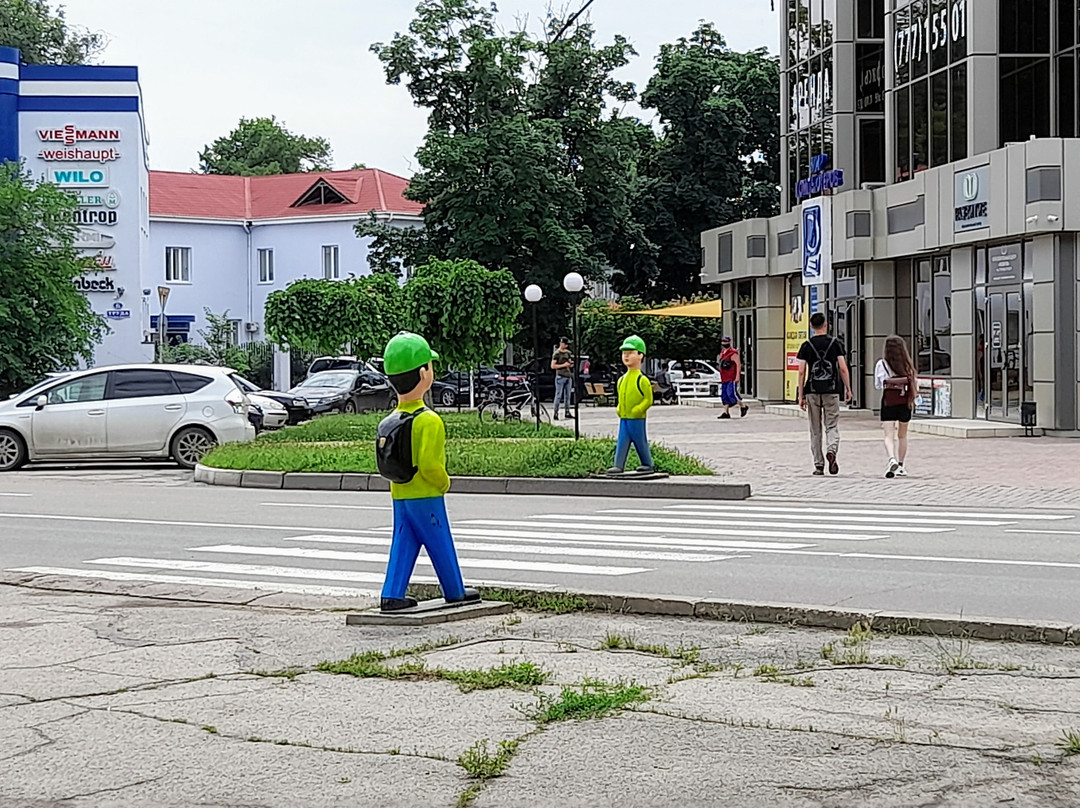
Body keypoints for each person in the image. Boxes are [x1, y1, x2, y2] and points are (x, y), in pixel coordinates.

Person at [375, 331, 479, 613]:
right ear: (424, 374)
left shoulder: (389, 420)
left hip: (400, 493)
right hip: (426, 494)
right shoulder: (429, 420)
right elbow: (430, 465)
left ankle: (392, 594)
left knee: (403, 541)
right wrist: (443, 483)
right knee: (440, 540)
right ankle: (455, 590)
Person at [796, 312, 853, 476]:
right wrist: (848, 388)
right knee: (832, 425)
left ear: (811, 326)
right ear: (826, 325)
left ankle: (819, 465)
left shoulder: (806, 345)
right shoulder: (836, 343)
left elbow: (801, 371)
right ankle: (832, 450)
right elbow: (842, 367)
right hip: (832, 389)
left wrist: (801, 395)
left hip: (813, 391)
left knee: (815, 429)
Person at [607, 335, 654, 474]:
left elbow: (648, 399)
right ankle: (618, 464)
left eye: (631, 353)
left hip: (637, 418)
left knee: (640, 441)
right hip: (624, 417)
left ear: (640, 355)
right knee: (622, 440)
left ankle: (647, 463)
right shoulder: (621, 379)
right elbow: (621, 397)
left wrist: (639, 408)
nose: (626, 356)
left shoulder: (642, 379)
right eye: (624, 353)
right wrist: (619, 407)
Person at [875, 336, 918, 478]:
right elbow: (914, 384)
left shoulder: (882, 364)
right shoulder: (907, 365)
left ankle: (891, 459)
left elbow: (878, 384)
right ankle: (900, 465)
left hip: (889, 401)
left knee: (888, 435)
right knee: (903, 435)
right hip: (905, 402)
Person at [716, 336, 749, 419]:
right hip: (724, 377)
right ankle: (726, 412)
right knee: (724, 395)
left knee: (731, 394)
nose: (724, 343)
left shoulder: (733, 352)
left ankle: (743, 406)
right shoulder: (723, 353)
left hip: (731, 377)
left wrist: (737, 376)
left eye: (726, 342)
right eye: (723, 342)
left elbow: (738, 365)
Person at [550, 337, 573, 420]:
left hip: (568, 375)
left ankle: (567, 411)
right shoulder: (557, 354)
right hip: (560, 376)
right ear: (561, 344)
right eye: (565, 344)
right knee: (558, 395)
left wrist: (570, 364)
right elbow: (553, 366)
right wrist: (564, 365)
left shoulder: (568, 353)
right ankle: (556, 412)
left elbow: (569, 362)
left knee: (568, 395)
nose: (566, 345)